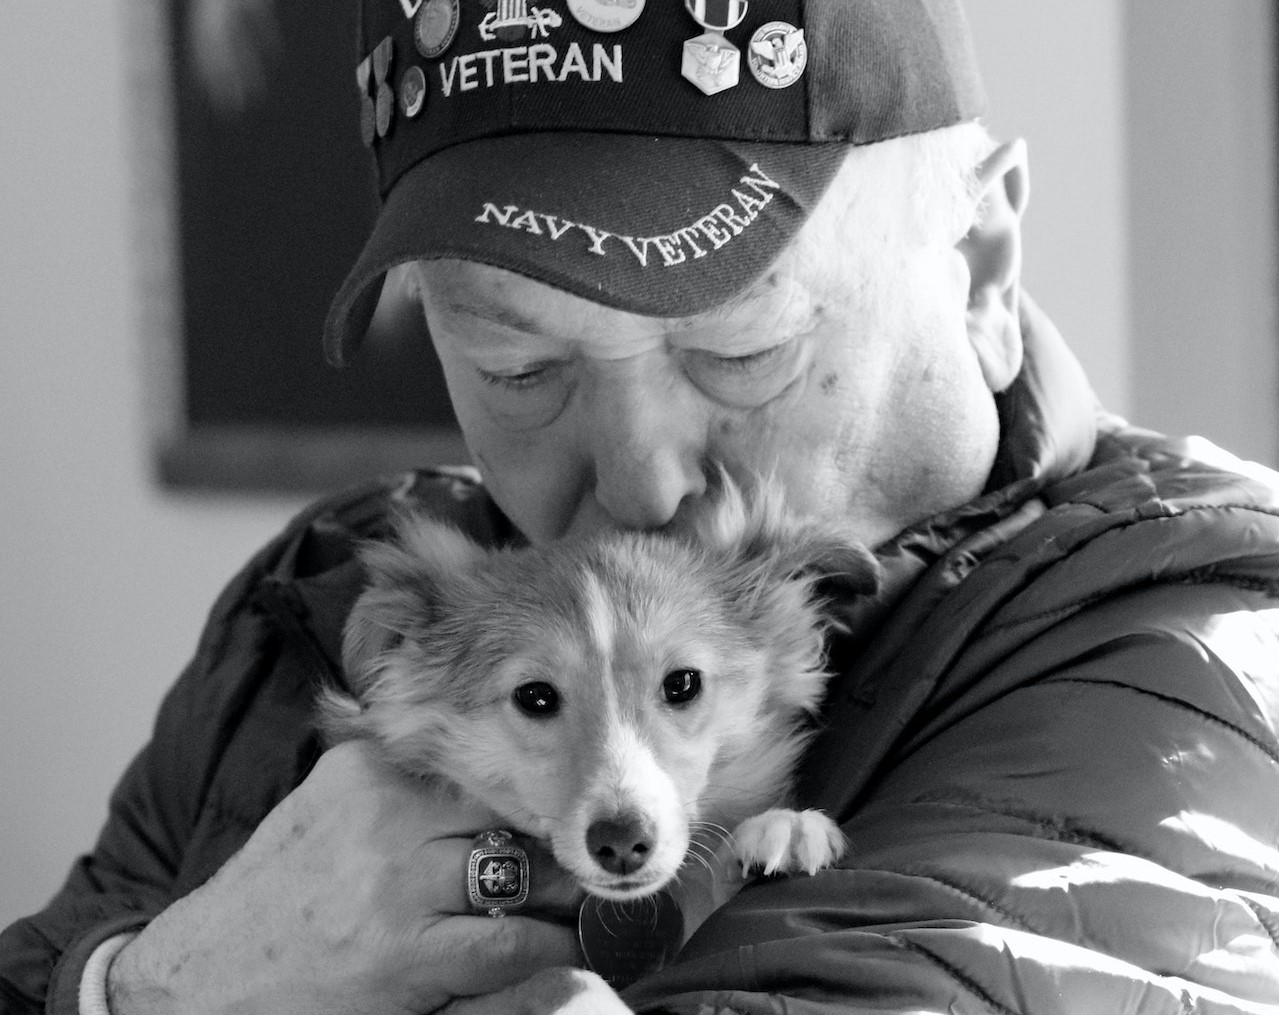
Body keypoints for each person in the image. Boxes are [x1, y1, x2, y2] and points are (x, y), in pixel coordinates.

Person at [4, 1, 1279, 1012]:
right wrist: (153, 986)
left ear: (985, 268)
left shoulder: (1200, 642)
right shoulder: (313, 606)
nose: (637, 480)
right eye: (520, 368)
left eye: (736, 349)